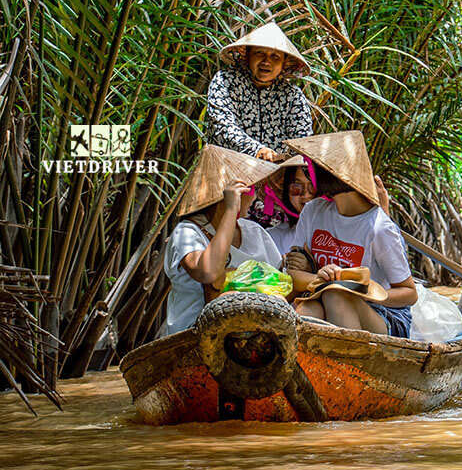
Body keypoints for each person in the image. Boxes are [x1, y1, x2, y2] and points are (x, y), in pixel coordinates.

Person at [285, 131, 418, 337]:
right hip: (323, 297)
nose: (309, 174)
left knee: (336, 295)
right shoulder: (313, 212)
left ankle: (350, 364)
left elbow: (409, 293)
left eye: (311, 169)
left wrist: (359, 291)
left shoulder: (378, 228)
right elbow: (293, 274)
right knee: (308, 309)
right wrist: (321, 278)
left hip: (383, 314)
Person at [163, 145, 282, 335]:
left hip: (258, 331)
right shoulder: (187, 232)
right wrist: (229, 210)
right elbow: (208, 272)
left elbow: (279, 281)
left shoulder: (254, 231)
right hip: (195, 333)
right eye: (251, 189)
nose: (255, 198)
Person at [205, 22, 313, 162]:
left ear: (284, 64)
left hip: (274, 175)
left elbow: (302, 141)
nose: (266, 62)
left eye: (275, 57)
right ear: (247, 55)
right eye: (260, 53)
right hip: (227, 170)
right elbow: (221, 126)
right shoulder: (226, 81)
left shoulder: (292, 96)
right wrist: (257, 151)